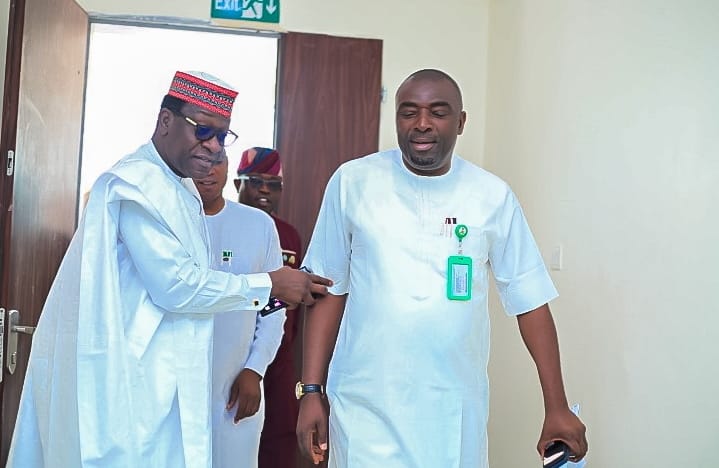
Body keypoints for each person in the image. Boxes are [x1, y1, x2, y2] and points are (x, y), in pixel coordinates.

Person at [7, 70, 330, 468]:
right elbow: (176, 287)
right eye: (203, 131)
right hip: (132, 377)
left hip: (168, 378)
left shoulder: (180, 188)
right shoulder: (137, 185)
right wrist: (269, 283)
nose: (212, 147)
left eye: (222, 136)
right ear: (165, 121)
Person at [296, 69, 588, 468]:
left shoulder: (491, 196)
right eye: (408, 112)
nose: (422, 124)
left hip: (453, 409)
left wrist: (556, 405)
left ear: (461, 122)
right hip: (365, 405)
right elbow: (328, 288)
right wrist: (312, 389)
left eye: (438, 112)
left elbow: (529, 299)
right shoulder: (353, 182)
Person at [194, 152, 286, 467]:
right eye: (200, 162)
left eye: (217, 161)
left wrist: (254, 369)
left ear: (228, 169)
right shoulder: (167, 221)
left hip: (236, 390)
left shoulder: (258, 225)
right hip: (175, 386)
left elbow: (274, 306)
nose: (208, 170)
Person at [234, 147, 302, 468]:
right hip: (233, 352)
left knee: (278, 439)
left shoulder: (289, 235)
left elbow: (291, 301)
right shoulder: (224, 225)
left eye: (273, 184)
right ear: (238, 185)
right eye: (256, 181)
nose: (264, 190)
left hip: (279, 355)